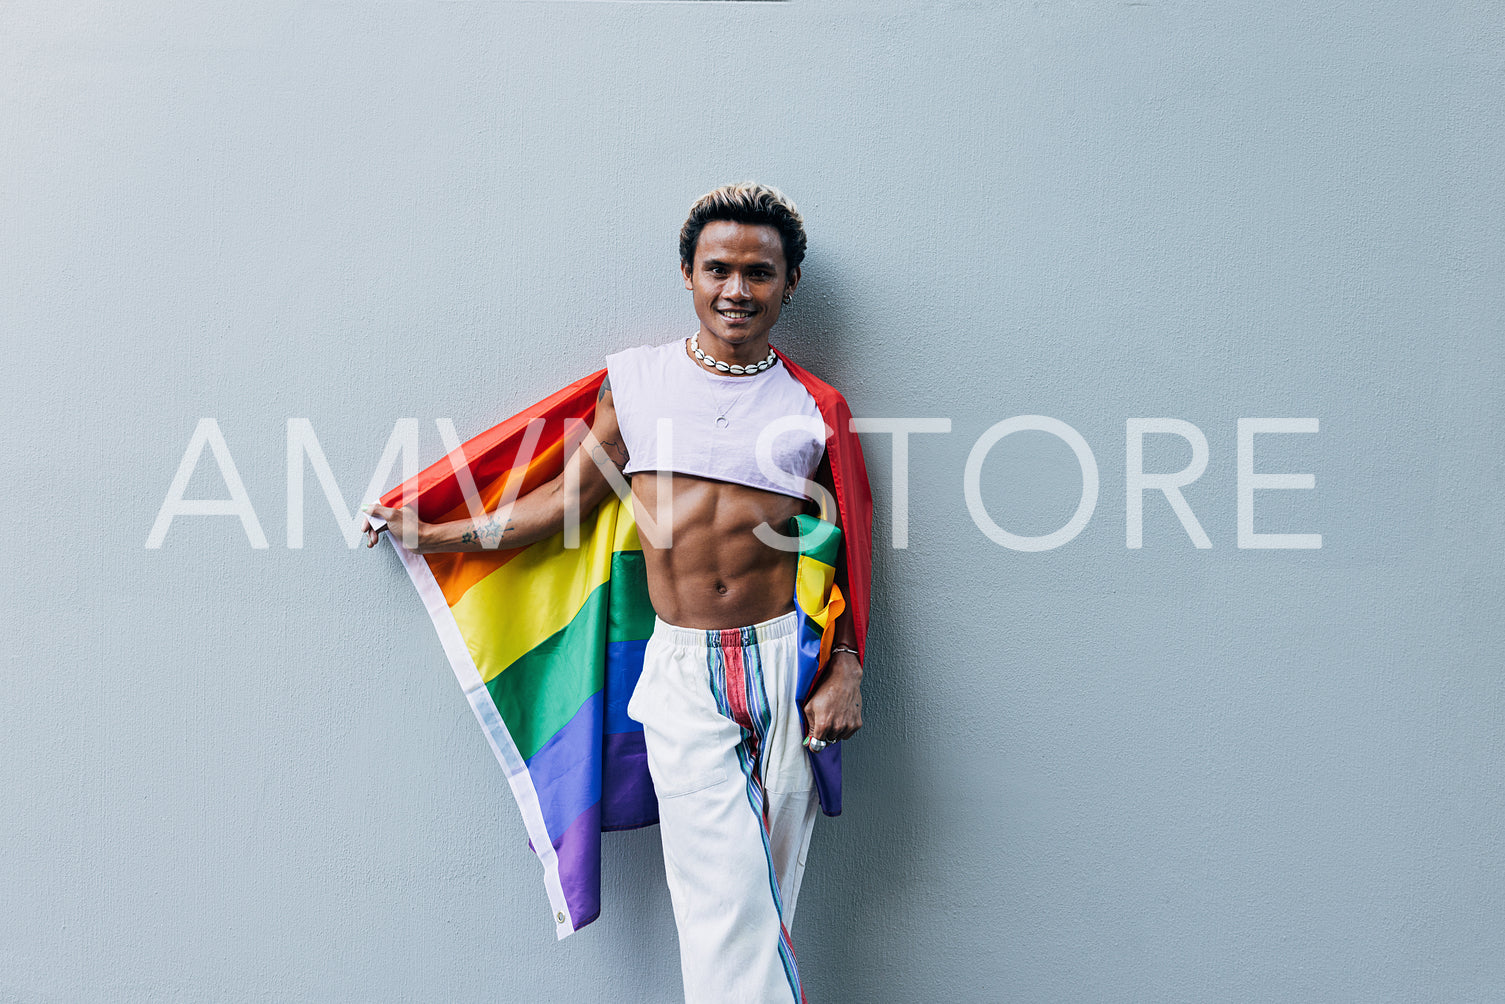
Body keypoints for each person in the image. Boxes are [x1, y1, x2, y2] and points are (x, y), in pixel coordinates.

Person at [361, 182, 869, 1003]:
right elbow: (561, 506)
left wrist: (845, 663)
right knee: (721, 899)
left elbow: (848, 548)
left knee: (766, 901)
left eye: (758, 273)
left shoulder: (814, 407)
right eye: (718, 269)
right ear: (687, 273)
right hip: (681, 670)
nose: (736, 290)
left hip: (786, 662)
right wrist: (436, 532)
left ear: (788, 284)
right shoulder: (635, 384)